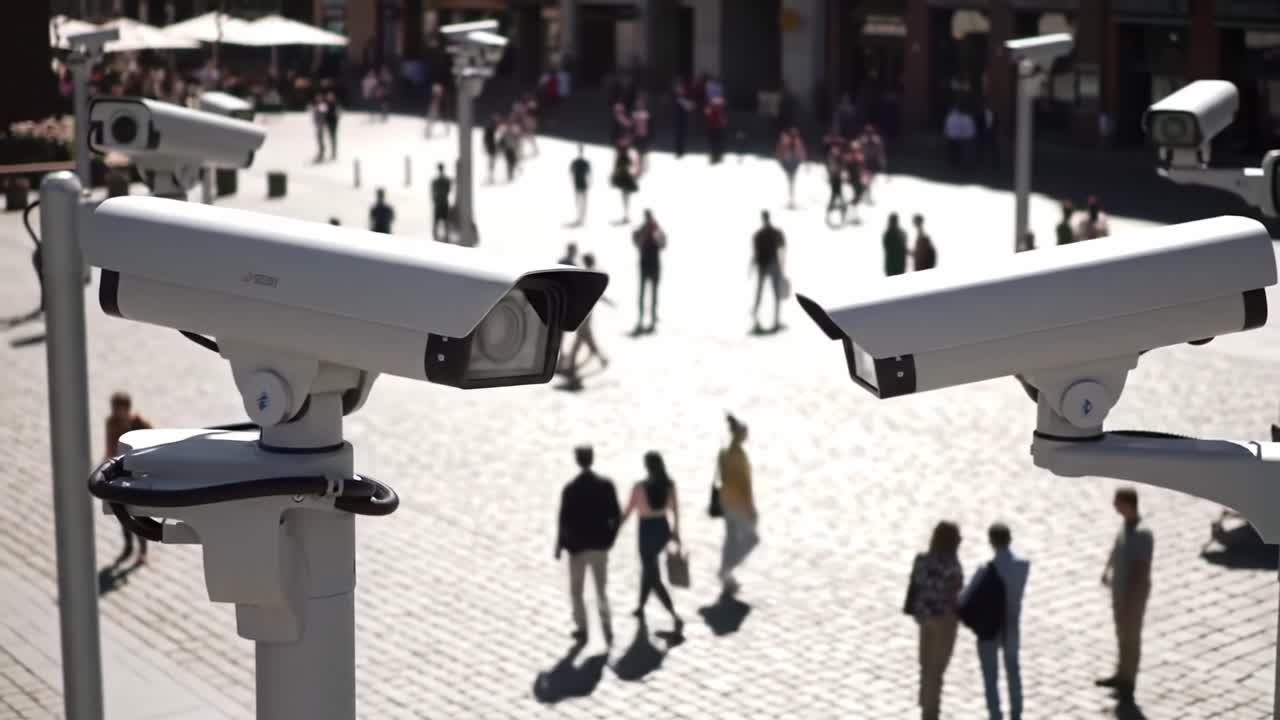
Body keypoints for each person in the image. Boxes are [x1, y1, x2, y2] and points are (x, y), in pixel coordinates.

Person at [963, 523, 1030, 720]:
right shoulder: (1022, 566)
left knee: (990, 676)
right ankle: (1016, 712)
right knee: (1013, 671)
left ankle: (995, 714)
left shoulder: (985, 569)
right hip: (1011, 625)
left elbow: (965, 598)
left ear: (991, 541)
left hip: (988, 627)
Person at [556, 445, 622, 645]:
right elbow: (616, 514)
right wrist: (610, 538)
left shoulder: (571, 488)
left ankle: (582, 627)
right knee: (601, 589)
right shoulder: (606, 485)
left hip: (578, 547)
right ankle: (607, 626)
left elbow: (563, 519)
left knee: (577, 590)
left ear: (577, 460)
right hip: (600, 546)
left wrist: (560, 545)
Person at [1097, 487, 1154, 702]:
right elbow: (1116, 547)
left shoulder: (1142, 533)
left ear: (1128, 504)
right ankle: (1120, 673)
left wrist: (1131, 601)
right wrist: (1107, 569)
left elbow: (1142, 569)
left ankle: (1129, 681)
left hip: (1133, 596)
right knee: (1122, 635)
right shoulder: (1125, 525)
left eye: (1117, 502)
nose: (1114, 506)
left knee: (1131, 638)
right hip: (1119, 591)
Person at [619, 451, 684, 633]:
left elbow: (628, 510)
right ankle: (640, 606)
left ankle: (673, 613)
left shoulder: (639, 487)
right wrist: (676, 532)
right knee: (649, 569)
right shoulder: (669, 485)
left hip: (646, 531)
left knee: (651, 574)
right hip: (662, 528)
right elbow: (676, 510)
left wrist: (615, 528)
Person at [911, 521, 964, 720]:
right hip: (945, 621)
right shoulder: (953, 567)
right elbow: (955, 597)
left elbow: (916, 586)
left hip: (925, 618)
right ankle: (930, 712)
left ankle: (925, 700)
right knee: (937, 669)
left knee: (925, 664)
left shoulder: (922, 560)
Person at [105, 392, 153, 565]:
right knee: (122, 514)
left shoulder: (140, 423)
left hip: (138, 473)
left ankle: (142, 550)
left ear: (127, 408)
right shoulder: (112, 423)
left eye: (120, 409)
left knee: (138, 513)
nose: (117, 412)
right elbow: (110, 448)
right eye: (115, 408)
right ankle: (128, 547)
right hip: (121, 473)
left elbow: (152, 447)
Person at [716, 414, 758, 596]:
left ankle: (727, 578)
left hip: (726, 501)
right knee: (751, 540)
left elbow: (721, 477)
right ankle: (726, 572)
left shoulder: (724, 452)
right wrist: (750, 508)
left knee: (731, 540)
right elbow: (744, 484)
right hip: (739, 504)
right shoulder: (739, 456)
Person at [567, 254, 612, 377]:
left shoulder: (583, 275)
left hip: (582, 312)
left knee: (582, 338)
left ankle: (572, 365)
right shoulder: (592, 275)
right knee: (585, 338)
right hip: (586, 312)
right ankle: (600, 359)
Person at [751, 210, 786, 333]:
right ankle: (774, 321)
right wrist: (782, 267)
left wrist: (751, 267)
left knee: (761, 294)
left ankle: (758, 318)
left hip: (764, 266)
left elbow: (755, 254)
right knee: (773, 294)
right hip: (771, 265)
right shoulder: (775, 233)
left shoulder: (758, 235)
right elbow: (782, 249)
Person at [633, 210, 665, 334]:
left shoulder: (643, 229)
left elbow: (636, 242)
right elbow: (663, 245)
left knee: (643, 293)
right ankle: (651, 319)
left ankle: (644, 319)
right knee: (652, 293)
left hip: (645, 264)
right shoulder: (654, 229)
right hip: (653, 265)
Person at [777, 128, 806, 208]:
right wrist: (781, 160)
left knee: (791, 181)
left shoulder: (796, 141)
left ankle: (791, 199)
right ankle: (791, 199)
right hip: (789, 162)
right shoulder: (787, 140)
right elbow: (781, 150)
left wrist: (802, 159)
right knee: (791, 181)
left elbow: (801, 151)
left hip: (793, 162)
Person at [611, 138, 639, 223]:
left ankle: (626, 215)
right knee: (625, 197)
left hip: (624, 178)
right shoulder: (623, 157)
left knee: (625, 196)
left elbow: (619, 167)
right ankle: (626, 215)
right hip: (624, 178)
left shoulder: (623, 157)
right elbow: (631, 165)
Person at [431, 164, 453, 242]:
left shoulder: (435, 181)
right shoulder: (447, 180)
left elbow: (433, 192)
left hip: (438, 203)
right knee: (445, 222)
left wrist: (434, 199)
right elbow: (449, 189)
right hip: (444, 203)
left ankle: (436, 238)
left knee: (437, 222)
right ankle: (446, 237)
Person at [570, 144, 591, 226]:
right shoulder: (576, 162)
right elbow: (571, 172)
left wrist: (589, 182)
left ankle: (581, 219)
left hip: (582, 183)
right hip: (579, 183)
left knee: (582, 202)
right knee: (580, 202)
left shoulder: (582, 162)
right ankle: (580, 219)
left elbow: (589, 174)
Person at [673, 81, 693, 158]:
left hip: (683, 119)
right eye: (679, 89)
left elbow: (688, 106)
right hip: (678, 119)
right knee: (679, 136)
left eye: (681, 89)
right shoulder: (677, 98)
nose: (681, 90)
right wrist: (688, 104)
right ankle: (679, 152)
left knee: (681, 136)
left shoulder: (683, 97)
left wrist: (689, 104)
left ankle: (680, 151)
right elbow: (687, 106)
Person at [706, 96, 728, 164]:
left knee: (715, 142)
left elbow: (708, 114)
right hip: (716, 127)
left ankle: (716, 155)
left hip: (715, 127)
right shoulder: (718, 107)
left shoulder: (714, 107)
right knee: (717, 142)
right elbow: (722, 118)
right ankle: (717, 155)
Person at [483, 114, 501, 183]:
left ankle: (491, 176)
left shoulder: (492, 128)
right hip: (492, 147)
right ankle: (491, 176)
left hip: (493, 147)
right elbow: (487, 138)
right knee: (492, 162)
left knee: (492, 162)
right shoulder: (491, 128)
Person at [310, 92, 328, 162]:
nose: (317, 98)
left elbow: (323, 113)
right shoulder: (317, 105)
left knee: (320, 139)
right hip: (318, 125)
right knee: (318, 139)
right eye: (317, 97)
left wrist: (316, 109)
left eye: (319, 97)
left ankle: (322, 152)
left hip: (321, 125)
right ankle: (321, 152)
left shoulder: (322, 105)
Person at [324, 90, 340, 160]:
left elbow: (338, 113)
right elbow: (324, 113)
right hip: (328, 123)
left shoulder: (335, 104)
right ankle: (332, 152)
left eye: (331, 96)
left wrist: (337, 120)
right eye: (328, 96)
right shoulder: (326, 104)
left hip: (333, 123)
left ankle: (334, 153)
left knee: (333, 138)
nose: (329, 97)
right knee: (330, 137)